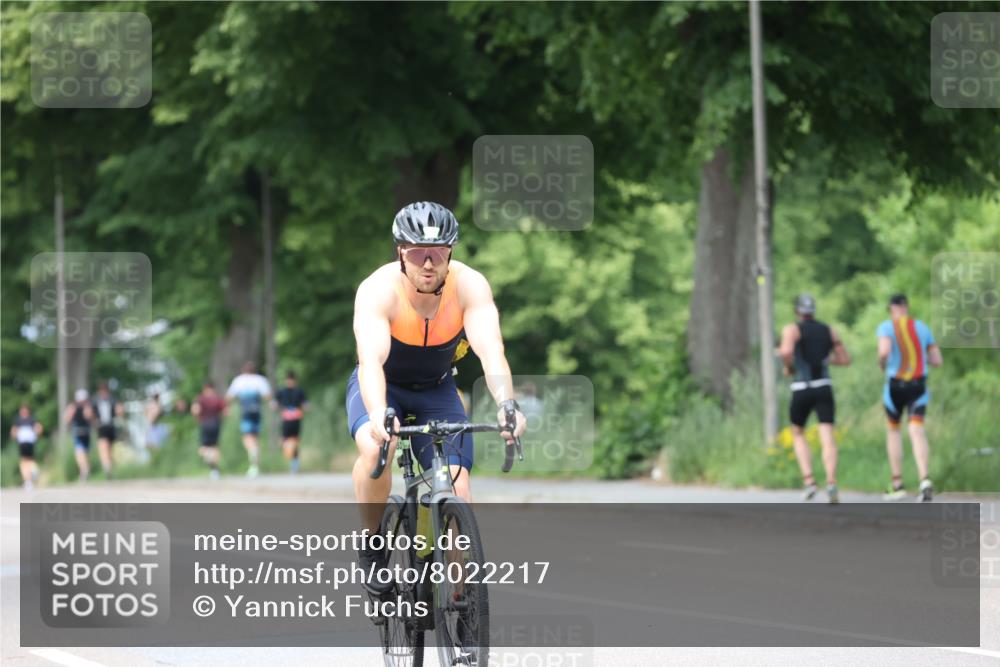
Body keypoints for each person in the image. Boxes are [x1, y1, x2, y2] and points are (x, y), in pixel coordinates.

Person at [348, 201, 526, 592]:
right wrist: (378, 412)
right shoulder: (378, 290)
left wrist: (506, 405)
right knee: (377, 450)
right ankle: (371, 541)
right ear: (401, 252)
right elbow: (371, 362)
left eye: (439, 252)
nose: (428, 263)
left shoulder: (470, 285)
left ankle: (460, 601)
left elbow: (491, 350)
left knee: (458, 489)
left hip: (437, 388)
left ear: (451, 252)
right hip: (383, 385)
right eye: (417, 253)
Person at [779, 294, 851, 504]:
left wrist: (790, 367)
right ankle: (831, 482)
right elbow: (845, 359)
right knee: (827, 433)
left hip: (801, 386)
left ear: (797, 311)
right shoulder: (829, 330)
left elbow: (786, 351)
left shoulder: (792, 330)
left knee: (797, 432)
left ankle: (809, 481)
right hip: (824, 386)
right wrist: (826, 360)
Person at [877, 294, 942, 502]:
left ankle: (897, 483)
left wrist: (882, 364)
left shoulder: (887, 327)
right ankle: (924, 479)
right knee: (916, 430)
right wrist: (920, 358)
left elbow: (884, 352)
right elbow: (937, 360)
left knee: (894, 430)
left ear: (891, 309)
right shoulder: (922, 327)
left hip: (895, 386)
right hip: (918, 386)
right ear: (907, 307)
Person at [226, 361, 272, 478]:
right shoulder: (260, 380)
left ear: (243, 370)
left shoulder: (239, 380)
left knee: (247, 438)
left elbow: (229, 397)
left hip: (245, 412)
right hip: (257, 411)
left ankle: (253, 463)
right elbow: (267, 396)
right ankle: (256, 465)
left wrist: (228, 407)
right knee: (255, 438)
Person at [193, 380, 228, 479]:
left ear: (204, 388)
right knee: (214, 447)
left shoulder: (200, 398)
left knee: (203, 449)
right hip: (216, 424)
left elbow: (195, 410)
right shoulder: (217, 398)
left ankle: (211, 463)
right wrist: (220, 420)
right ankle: (215, 470)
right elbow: (226, 412)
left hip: (204, 424)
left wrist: (198, 419)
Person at [275, 370, 308, 474]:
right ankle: (292, 461)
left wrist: (304, 408)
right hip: (286, 420)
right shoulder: (282, 391)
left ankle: (294, 466)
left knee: (295, 442)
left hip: (296, 420)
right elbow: (275, 404)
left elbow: (305, 404)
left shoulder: (299, 391)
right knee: (285, 441)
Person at [91, 381, 124, 479]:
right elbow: (90, 413)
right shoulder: (95, 400)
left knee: (109, 448)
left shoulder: (112, 400)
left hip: (110, 426)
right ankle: (107, 468)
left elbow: (119, 410)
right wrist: (94, 421)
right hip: (101, 426)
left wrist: (120, 412)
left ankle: (108, 466)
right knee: (103, 447)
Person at [63, 389, 94, 482]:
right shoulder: (73, 407)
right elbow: (67, 419)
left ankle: (85, 469)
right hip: (78, 431)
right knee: (80, 452)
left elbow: (91, 418)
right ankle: (84, 470)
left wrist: (87, 412)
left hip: (85, 431)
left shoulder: (88, 407)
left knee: (83, 452)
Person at [11, 403, 43, 490]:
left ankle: (28, 480)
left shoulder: (22, 420)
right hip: (28, 442)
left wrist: (14, 435)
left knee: (24, 461)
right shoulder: (30, 419)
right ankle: (33, 473)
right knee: (29, 460)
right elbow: (39, 428)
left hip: (25, 442)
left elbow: (39, 428)